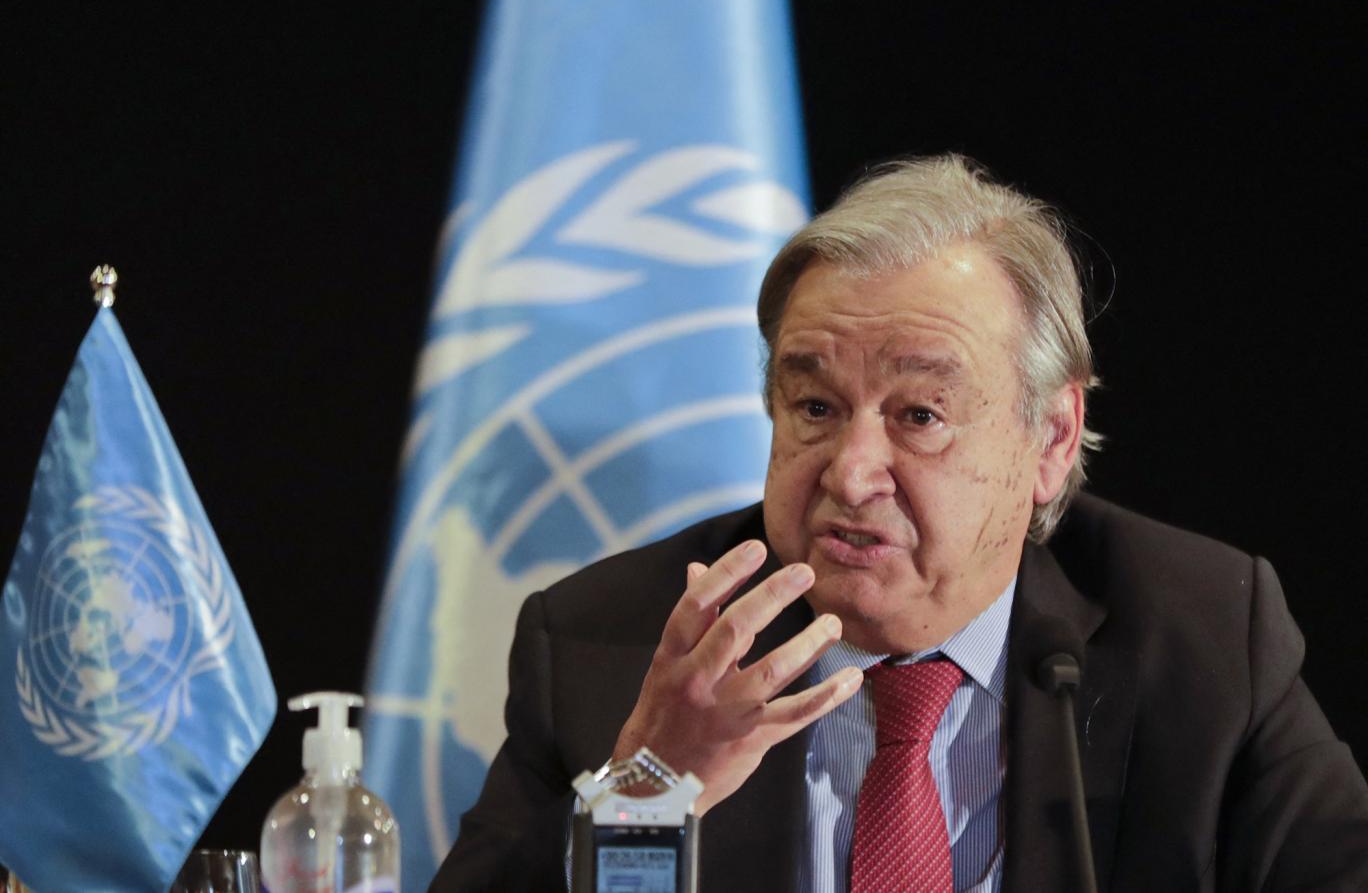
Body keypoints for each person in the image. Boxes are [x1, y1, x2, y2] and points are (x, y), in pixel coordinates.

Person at [431, 155, 1368, 892]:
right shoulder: (616, 645)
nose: (850, 471)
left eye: (919, 415)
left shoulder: (1201, 639)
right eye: (815, 407)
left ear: (1050, 437)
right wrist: (648, 792)